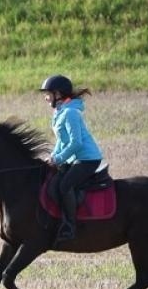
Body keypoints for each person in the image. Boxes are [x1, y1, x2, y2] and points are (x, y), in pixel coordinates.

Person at [41, 74, 103, 242]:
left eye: (48, 94)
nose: (46, 98)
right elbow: (62, 141)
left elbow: (76, 143)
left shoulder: (70, 113)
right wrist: (53, 156)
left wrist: (58, 159)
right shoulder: (60, 112)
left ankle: (70, 225)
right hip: (74, 159)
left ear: (58, 94)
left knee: (64, 185)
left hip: (87, 160)